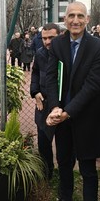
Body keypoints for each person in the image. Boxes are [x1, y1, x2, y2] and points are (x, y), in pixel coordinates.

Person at [45, 1, 100, 201]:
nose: (75, 20)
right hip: (61, 116)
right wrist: (54, 107)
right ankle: (66, 199)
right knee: (63, 161)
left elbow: (94, 86)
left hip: (87, 117)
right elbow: (49, 78)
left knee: (87, 168)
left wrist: (68, 112)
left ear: (88, 19)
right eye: (71, 15)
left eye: (80, 16)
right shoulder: (57, 45)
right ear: (65, 19)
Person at [30, 22, 61, 180]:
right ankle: (46, 170)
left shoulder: (66, 54)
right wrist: (35, 92)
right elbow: (35, 73)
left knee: (64, 142)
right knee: (43, 140)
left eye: (52, 38)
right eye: (44, 38)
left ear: (60, 36)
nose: (48, 42)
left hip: (62, 104)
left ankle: (64, 172)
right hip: (43, 102)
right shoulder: (40, 53)